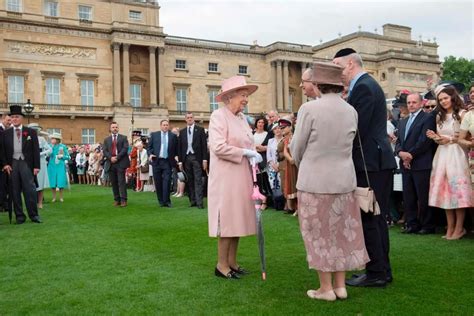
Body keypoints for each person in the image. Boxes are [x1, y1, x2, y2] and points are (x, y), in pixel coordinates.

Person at [290, 62, 369, 301]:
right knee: (341, 233)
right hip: (344, 180)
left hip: (314, 181)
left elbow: (297, 149)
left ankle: (326, 289)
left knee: (318, 234)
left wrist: (304, 160)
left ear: (317, 83)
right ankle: (340, 286)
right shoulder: (350, 110)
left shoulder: (309, 109)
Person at [333, 48, 396, 287]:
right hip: (372, 161)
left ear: (350, 64)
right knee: (374, 218)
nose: (337, 72)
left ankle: (377, 272)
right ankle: (379, 270)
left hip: (370, 163)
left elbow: (356, 129)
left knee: (370, 217)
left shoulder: (364, 87)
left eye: (338, 66)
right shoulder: (365, 86)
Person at [208, 75, 262, 279]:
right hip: (226, 178)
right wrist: (245, 153)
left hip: (242, 176)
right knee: (227, 221)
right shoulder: (218, 116)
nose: (246, 99)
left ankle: (232, 262)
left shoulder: (241, 118)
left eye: (246, 95)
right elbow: (218, 147)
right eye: (242, 95)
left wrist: (254, 153)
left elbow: (248, 142)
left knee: (237, 220)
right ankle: (221, 265)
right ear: (229, 97)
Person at [426, 85, 472, 240]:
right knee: (445, 192)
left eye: (445, 98)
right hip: (442, 155)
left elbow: (464, 138)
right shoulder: (439, 116)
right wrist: (436, 138)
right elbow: (441, 139)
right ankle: (450, 227)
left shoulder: (463, 113)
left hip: (457, 155)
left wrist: (450, 139)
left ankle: (459, 228)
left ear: (453, 97)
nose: (443, 101)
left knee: (457, 191)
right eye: (440, 99)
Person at [395, 93, 436, 234]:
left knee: (423, 196)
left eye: (414, 102)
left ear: (420, 103)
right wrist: (400, 153)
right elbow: (398, 141)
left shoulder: (428, 118)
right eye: (409, 102)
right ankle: (411, 224)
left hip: (421, 163)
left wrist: (410, 155)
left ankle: (427, 225)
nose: (411, 105)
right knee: (408, 196)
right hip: (406, 164)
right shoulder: (402, 121)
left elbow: (424, 141)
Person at [0, 105, 41, 224]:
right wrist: (5, 164)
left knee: (30, 190)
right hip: (12, 164)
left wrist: (37, 166)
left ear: (21, 118)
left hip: (26, 164)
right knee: (15, 191)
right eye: (12, 117)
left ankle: (34, 215)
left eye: (17, 117)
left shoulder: (31, 132)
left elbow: (35, 150)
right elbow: (1, 151)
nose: (14, 119)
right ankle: (19, 216)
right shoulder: (5, 133)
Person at [178, 112, 208, 209]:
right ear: (185, 119)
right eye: (188, 118)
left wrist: (205, 160)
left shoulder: (200, 130)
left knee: (198, 180)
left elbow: (204, 146)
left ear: (193, 118)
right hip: (186, 158)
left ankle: (200, 202)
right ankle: (192, 201)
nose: (190, 119)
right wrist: (180, 161)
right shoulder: (182, 132)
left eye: (191, 117)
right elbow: (180, 147)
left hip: (197, 158)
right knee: (189, 180)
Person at [148, 119, 178, 207]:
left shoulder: (173, 136)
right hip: (156, 161)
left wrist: (176, 156)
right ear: (161, 126)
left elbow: (176, 148)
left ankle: (167, 201)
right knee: (158, 181)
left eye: (167, 125)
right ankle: (161, 201)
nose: (165, 126)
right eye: (164, 125)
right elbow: (149, 147)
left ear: (168, 126)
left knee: (167, 181)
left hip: (167, 161)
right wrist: (150, 154)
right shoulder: (154, 135)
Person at [103, 122, 130, 207]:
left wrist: (117, 157)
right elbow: (105, 151)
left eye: (116, 127)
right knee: (114, 182)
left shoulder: (123, 138)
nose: (115, 128)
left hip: (121, 162)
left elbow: (125, 149)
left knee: (121, 182)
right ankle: (117, 200)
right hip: (111, 163)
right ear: (110, 129)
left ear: (118, 128)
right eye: (113, 127)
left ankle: (123, 200)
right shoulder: (106, 140)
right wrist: (111, 158)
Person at [28, 123, 52, 209]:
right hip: (30, 162)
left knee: (40, 183)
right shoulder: (27, 138)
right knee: (30, 183)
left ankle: (40, 202)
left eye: (36, 130)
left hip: (41, 162)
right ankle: (32, 202)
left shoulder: (41, 139)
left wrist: (40, 154)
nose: (34, 131)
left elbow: (50, 149)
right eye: (33, 130)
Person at [277, 118, 298, 214]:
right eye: (281, 128)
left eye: (284, 127)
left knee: (297, 183)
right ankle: (292, 207)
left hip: (298, 162)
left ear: (290, 127)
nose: (282, 130)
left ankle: (297, 207)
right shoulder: (285, 139)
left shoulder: (296, 136)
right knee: (290, 183)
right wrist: (290, 159)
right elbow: (285, 152)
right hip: (289, 163)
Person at [48, 133, 70, 202]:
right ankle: (54, 197)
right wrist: (50, 149)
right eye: (51, 138)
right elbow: (48, 155)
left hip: (60, 166)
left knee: (60, 181)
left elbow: (68, 157)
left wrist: (62, 157)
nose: (52, 140)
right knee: (52, 182)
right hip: (52, 166)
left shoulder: (62, 146)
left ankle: (61, 197)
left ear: (57, 139)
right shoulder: (50, 146)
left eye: (53, 138)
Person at [0, 113, 12, 213]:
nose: (10, 122)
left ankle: (4, 204)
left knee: (5, 185)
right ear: (2, 119)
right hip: (2, 164)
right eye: (8, 120)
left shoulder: (6, 131)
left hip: (6, 163)